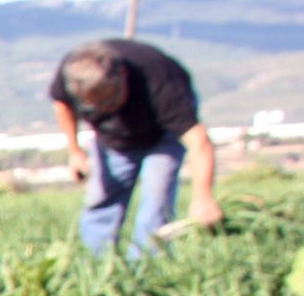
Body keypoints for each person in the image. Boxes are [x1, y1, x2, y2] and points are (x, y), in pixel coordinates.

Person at [48, 38, 222, 260]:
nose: (106, 109)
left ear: (122, 75)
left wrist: (203, 197)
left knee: (156, 202)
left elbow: (198, 140)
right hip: (113, 140)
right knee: (101, 199)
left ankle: (147, 269)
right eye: (95, 105)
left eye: (110, 101)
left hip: (161, 135)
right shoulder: (71, 71)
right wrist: (74, 151)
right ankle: (96, 267)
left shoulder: (161, 82)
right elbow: (61, 104)